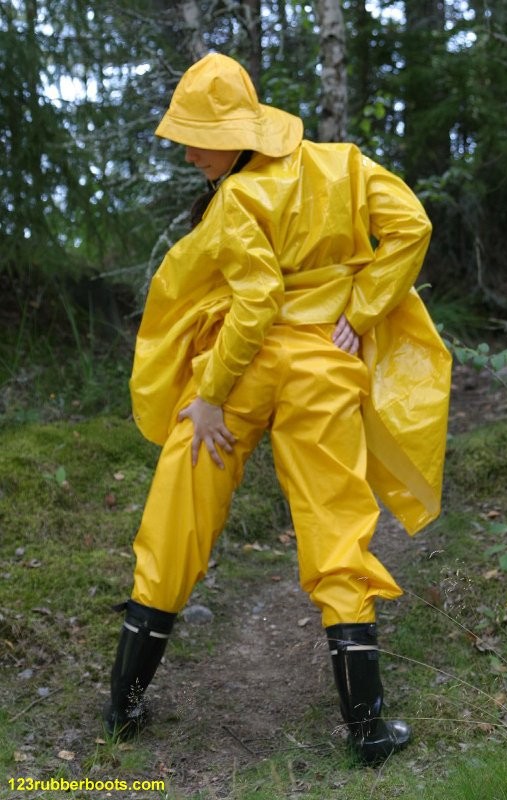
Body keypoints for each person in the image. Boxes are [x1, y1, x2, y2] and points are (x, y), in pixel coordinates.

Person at [103, 52, 451, 765]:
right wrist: (362, 304)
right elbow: (410, 225)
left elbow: (255, 303)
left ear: (241, 130)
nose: (191, 150)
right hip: (323, 365)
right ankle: (367, 734)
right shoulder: (344, 165)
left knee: (179, 508)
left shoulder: (236, 199)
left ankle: (123, 708)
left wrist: (206, 399)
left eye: (201, 134)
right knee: (334, 525)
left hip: (240, 369)